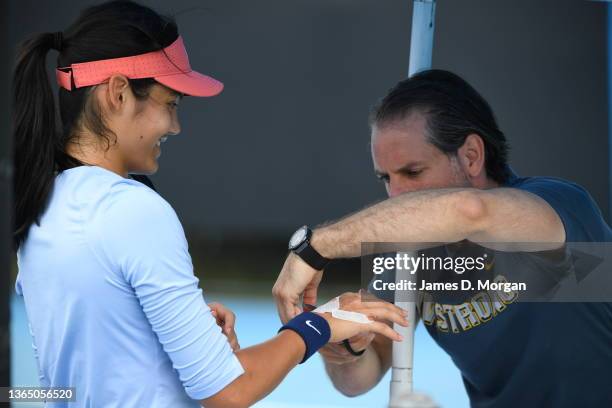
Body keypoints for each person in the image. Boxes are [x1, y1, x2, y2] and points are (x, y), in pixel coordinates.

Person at [12, 1, 409, 407]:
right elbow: (227, 394)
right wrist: (321, 324)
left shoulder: (42, 203)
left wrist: (199, 351)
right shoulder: (133, 211)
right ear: (117, 92)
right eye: (170, 104)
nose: (176, 126)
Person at [273, 69, 612, 407]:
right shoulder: (415, 255)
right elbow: (360, 378)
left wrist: (317, 246)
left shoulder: (558, 206)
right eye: (386, 178)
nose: (397, 195)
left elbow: (470, 211)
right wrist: (343, 349)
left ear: (471, 156)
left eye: (413, 172)